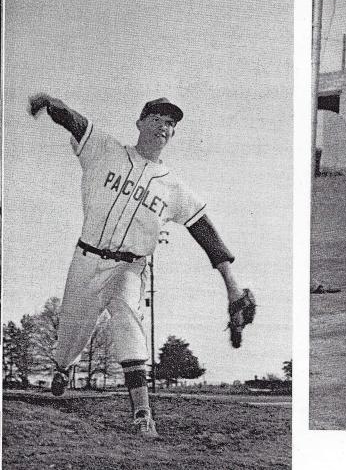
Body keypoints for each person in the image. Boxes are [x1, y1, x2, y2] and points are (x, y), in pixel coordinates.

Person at [28, 93, 250, 438]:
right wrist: (49, 103)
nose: (164, 126)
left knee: (129, 325)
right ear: (140, 123)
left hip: (130, 268)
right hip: (87, 259)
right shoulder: (105, 149)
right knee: (73, 332)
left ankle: (142, 414)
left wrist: (232, 285)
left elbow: (208, 235)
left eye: (171, 123)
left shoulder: (175, 188)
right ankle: (62, 366)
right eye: (157, 118)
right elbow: (76, 121)